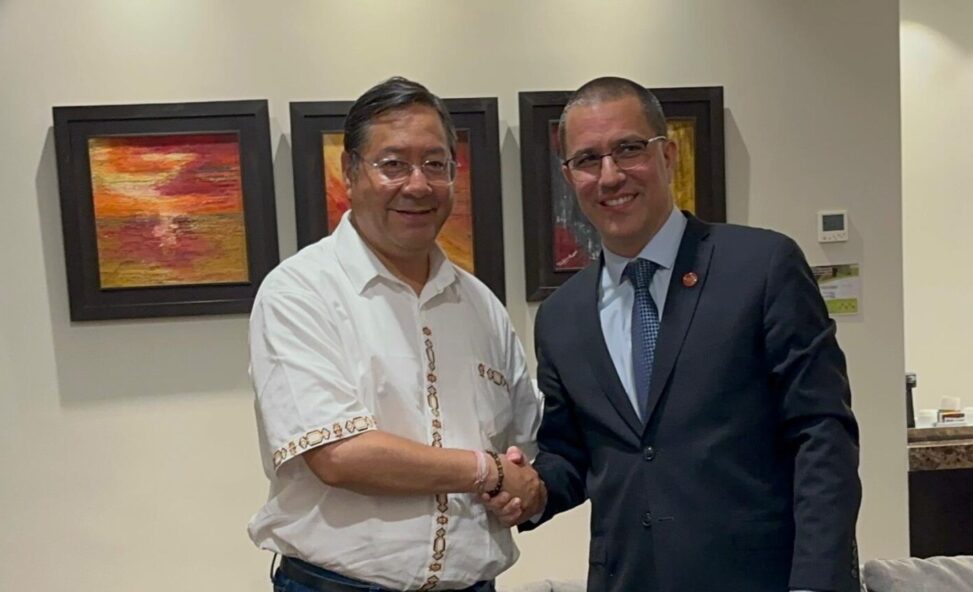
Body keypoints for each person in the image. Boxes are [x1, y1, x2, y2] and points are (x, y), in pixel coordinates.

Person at [506, 77, 862, 592]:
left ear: (668, 155)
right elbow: (573, 455)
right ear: (570, 175)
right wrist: (527, 489)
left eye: (628, 149)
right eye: (587, 160)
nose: (609, 176)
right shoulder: (562, 317)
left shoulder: (761, 267)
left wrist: (816, 582)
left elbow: (822, 434)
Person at [247, 76, 545, 592]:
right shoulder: (300, 291)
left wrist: (529, 491)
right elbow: (339, 456)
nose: (417, 184)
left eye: (436, 164)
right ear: (349, 171)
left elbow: (525, 444)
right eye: (393, 164)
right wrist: (487, 472)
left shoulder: (480, 306)